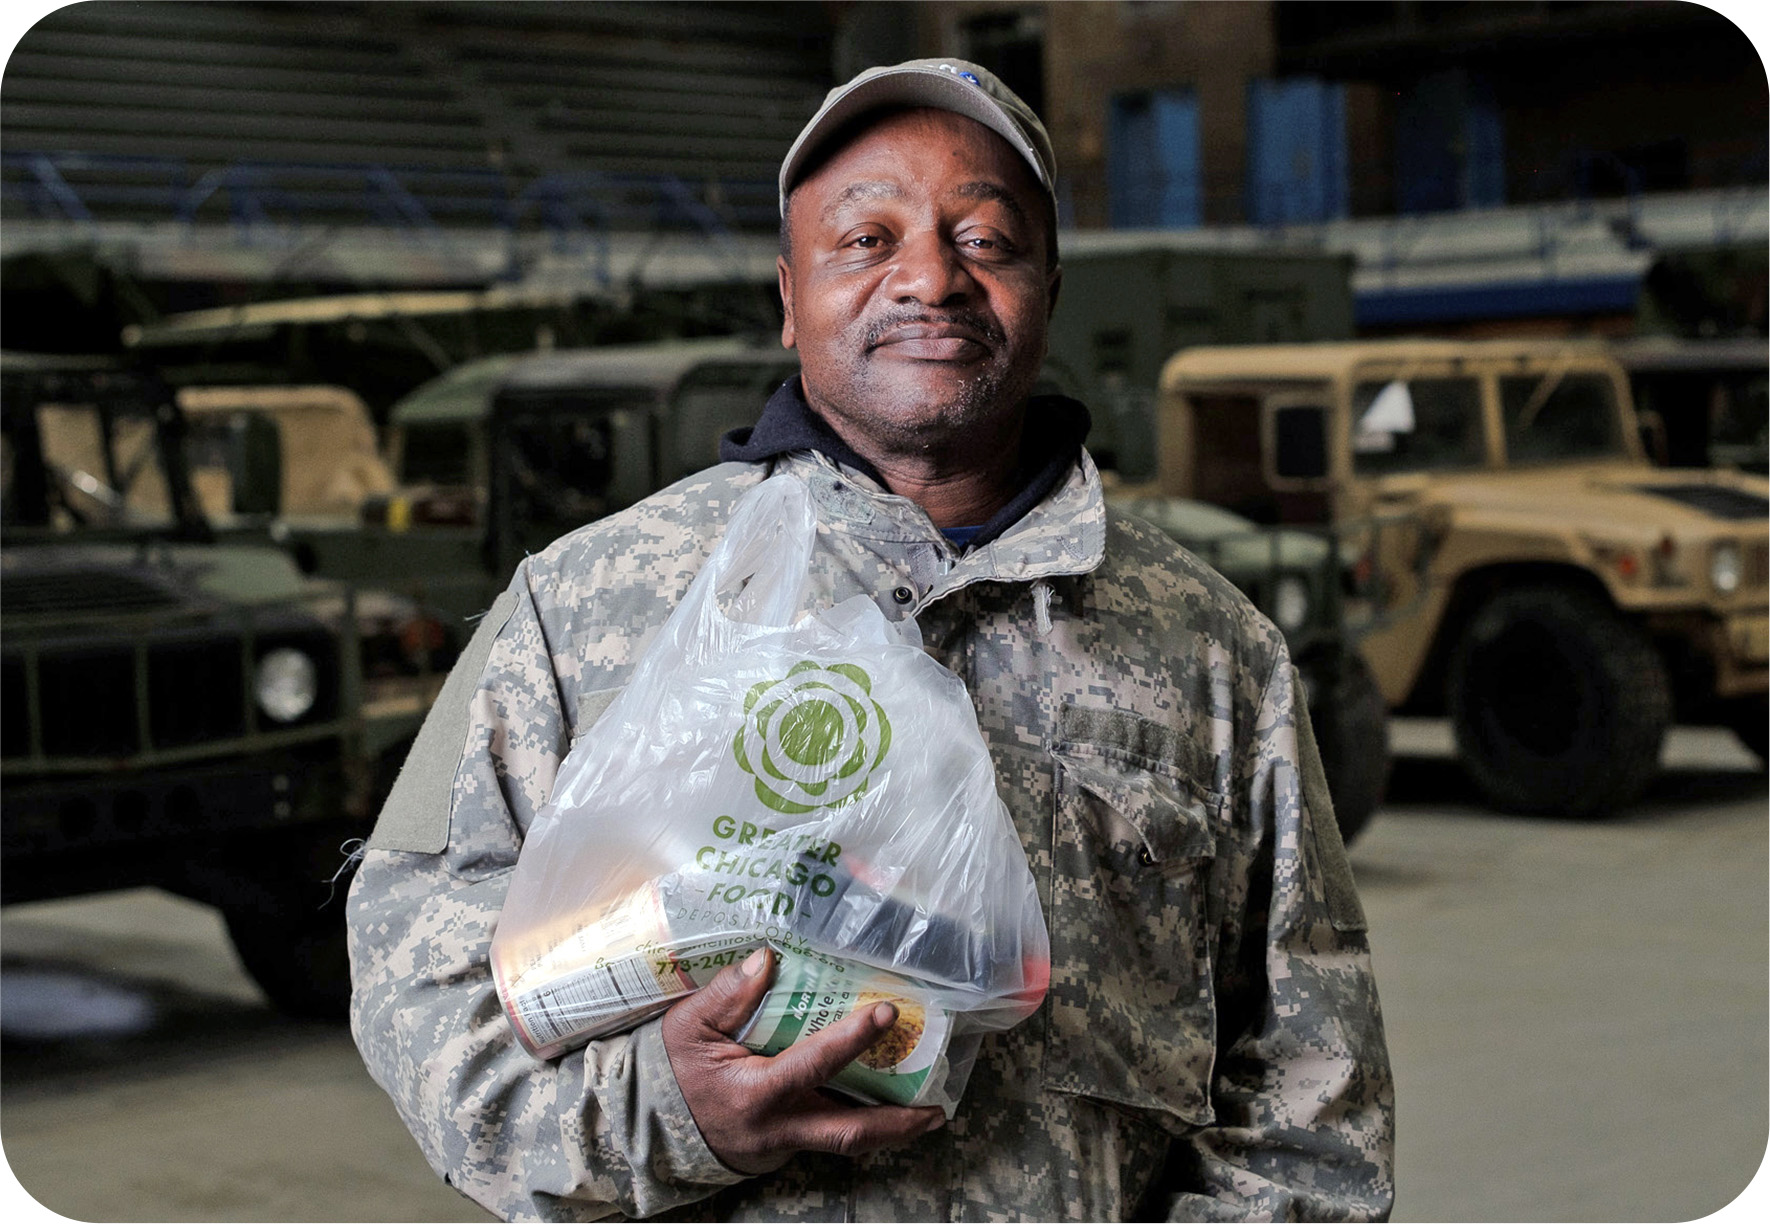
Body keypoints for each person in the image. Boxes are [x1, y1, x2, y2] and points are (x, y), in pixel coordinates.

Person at [348, 58, 1395, 1222]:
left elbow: (1312, 1087)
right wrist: (666, 1118)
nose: (930, 278)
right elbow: (421, 981)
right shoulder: (582, 607)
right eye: (867, 240)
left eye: (985, 239)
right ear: (790, 295)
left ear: (1049, 282)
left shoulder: (1214, 650)